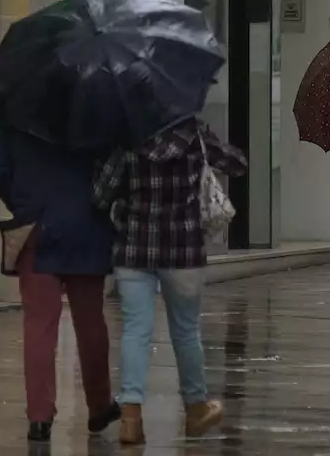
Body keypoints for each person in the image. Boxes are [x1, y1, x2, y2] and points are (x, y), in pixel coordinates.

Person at [93, 117, 247, 445]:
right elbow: (236, 163)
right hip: (183, 250)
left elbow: (101, 194)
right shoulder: (194, 131)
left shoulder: (126, 135)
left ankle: (131, 418)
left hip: (134, 249)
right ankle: (195, 409)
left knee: (136, 330)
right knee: (187, 332)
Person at [0, 109, 119, 443]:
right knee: (90, 322)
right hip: (86, 225)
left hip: (36, 227)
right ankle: (99, 405)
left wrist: (24, 202)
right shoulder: (95, 98)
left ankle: (40, 418)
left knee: (39, 324)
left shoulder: (17, 102)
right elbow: (113, 168)